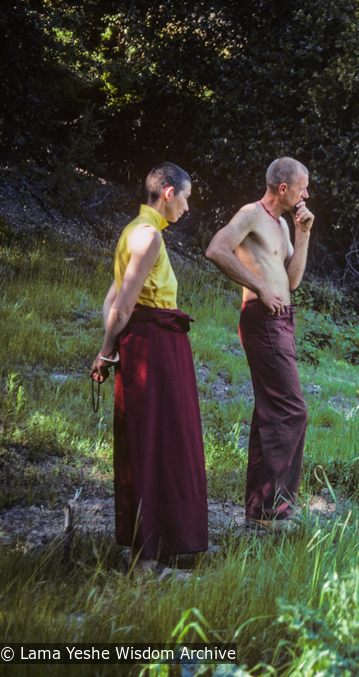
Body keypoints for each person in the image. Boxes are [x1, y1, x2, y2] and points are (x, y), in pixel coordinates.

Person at [90, 162, 207, 573]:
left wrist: (111, 348)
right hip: (152, 347)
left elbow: (111, 301)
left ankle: (157, 549)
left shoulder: (133, 231)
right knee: (157, 442)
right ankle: (147, 562)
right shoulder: (148, 236)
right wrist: (107, 351)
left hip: (150, 344)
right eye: (186, 198)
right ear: (169, 193)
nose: (187, 207)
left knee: (159, 440)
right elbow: (122, 306)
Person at [204, 157, 314, 531]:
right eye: (302, 188)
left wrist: (303, 234)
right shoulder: (251, 214)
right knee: (292, 411)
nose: (306, 195)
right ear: (283, 188)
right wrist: (260, 287)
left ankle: (260, 512)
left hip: (282, 320)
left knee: (272, 411)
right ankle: (273, 511)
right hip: (262, 318)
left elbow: (292, 281)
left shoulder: (282, 224)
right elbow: (216, 249)